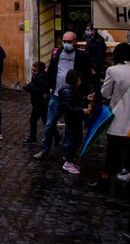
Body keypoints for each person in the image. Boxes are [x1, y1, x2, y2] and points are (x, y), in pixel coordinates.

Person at [34, 31, 93, 160]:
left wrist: (84, 95)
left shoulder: (82, 57)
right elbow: (51, 72)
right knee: (49, 124)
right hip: (56, 95)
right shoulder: (57, 53)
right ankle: (45, 149)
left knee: (70, 127)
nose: (67, 44)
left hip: (73, 97)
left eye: (69, 42)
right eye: (65, 41)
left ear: (75, 42)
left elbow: (87, 78)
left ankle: (67, 153)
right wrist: (46, 90)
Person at [94, 43, 130, 189]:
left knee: (113, 151)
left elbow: (105, 93)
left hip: (117, 117)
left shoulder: (112, 70)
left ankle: (104, 179)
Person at [57, 70, 92, 175]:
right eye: (79, 79)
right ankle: (68, 162)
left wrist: (86, 98)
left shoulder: (72, 90)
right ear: (74, 80)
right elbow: (67, 107)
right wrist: (82, 110)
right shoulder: (68, 91)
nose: (80, 81)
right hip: (72, 120)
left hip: (75, 120)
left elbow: (75, 101)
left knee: (77, 140)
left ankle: (70, 160)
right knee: (74, 141)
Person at [22, 61, 50, 143]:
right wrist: (25, 87)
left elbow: (38, 91)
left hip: (40, 103)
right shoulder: (36, 76)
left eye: (34, 68)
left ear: (39, 69)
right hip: (38, 103)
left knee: (34, 120)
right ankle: (57, 136)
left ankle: (33, 138)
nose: (32, 70)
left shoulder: (40, 77)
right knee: (45, 121)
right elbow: (33, 89)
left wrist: (29, 84)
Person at [84, 23, 107, 95]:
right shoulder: (89, 39)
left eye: (88, 30)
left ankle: (96, 102)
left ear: (93, 30)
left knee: (95, 86)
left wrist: (95, 68)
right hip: (89, 66)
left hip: (95, 68)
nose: (86, 31)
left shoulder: (99, 40)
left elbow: (100, 56)